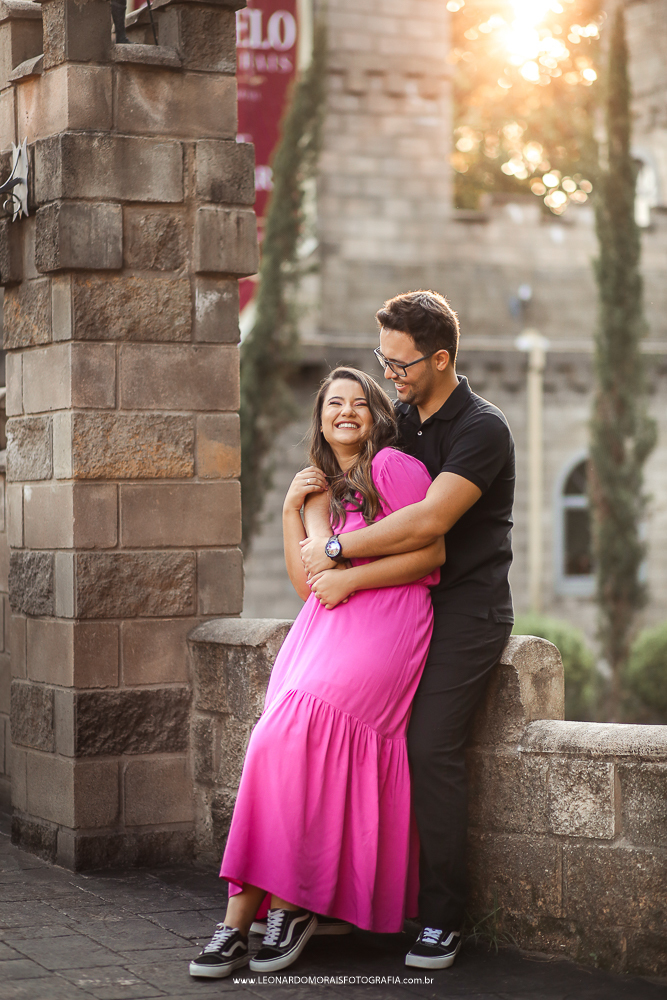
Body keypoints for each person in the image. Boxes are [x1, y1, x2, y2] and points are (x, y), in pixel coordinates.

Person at [189, 367, 445, 979]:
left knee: (292, 736)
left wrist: (351, 573)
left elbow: (431, 552)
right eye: (335, 402)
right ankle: (253, 916)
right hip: (325, 632)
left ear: (377, 414)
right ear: (321, 416)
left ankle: (279, 911)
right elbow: (311, 587)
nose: (347, 411)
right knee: (272, 748)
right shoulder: (323, 485)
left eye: (360, 402)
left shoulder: (393, 467)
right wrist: (292, 508)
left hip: (385, 625)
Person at [301, 290, 515, 970]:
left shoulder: (482, 429)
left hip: (465, 610)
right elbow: (354, 488)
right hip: (394, 604)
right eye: (381, 359)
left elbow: (426, 524)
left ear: (440, 358)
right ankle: (349, 899)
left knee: (427, 747)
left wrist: (336, 554)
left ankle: (441, 915)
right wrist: (307, 515)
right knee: (356, 734)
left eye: (399, 363)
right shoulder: (398, 420)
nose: (387, 374)